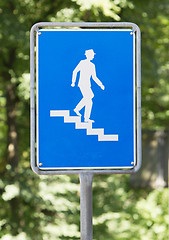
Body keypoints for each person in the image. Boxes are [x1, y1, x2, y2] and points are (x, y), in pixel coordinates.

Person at [71, 49, 105, 123]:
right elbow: (75, 71)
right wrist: (73, 82)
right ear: (88, 55)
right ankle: (77, 109)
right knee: (89, 97)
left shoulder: (92, 65)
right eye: (92, 55)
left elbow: (94, 77)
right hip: (82, 83)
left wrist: (100, 85)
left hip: (87, 84)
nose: (93, 56)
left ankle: (85, 117)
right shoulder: (82, 62)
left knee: (89, 101)